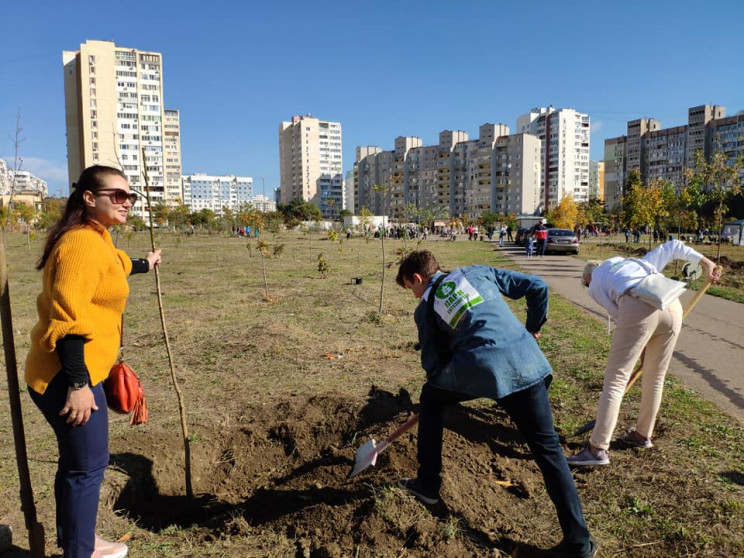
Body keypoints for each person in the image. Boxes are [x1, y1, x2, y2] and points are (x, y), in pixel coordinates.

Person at [395, 251, 597, 558]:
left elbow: (433, 368)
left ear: (418, 279)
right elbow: (537, 286)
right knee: (548, 452)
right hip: (528, 364)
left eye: (411, 288)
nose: (415, 295)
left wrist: (453, 367)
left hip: (483, 370)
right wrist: (533, 326)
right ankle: (579, 542)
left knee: (431, 397)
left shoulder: (425, 309)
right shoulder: (475, 272)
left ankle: (427, 485)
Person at [25, 165, 162, 558]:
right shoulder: (82, 244)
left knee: (76, 465)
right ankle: (80, 553)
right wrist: (80, 385)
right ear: (89, 197)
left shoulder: (96, 239)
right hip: (67, 377)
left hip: (71, 372)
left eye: (130, 196)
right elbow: (68, 320)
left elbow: (115, 266)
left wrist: (145, 263)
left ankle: (76, 540)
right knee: (88, 467)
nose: (127, 202)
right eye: (117, 195)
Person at [568, 240, 721, 467]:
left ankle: (597, 448)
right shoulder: (635, 263)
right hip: (671, 305)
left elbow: (620, 315)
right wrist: (706, 262)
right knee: (655, 376)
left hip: (638, 306)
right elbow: (673, 246)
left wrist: (638, 345)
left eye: (585, 283)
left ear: (588, 276)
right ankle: (642, 435)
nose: (587, 286)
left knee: (616, 380)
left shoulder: (595, 282)